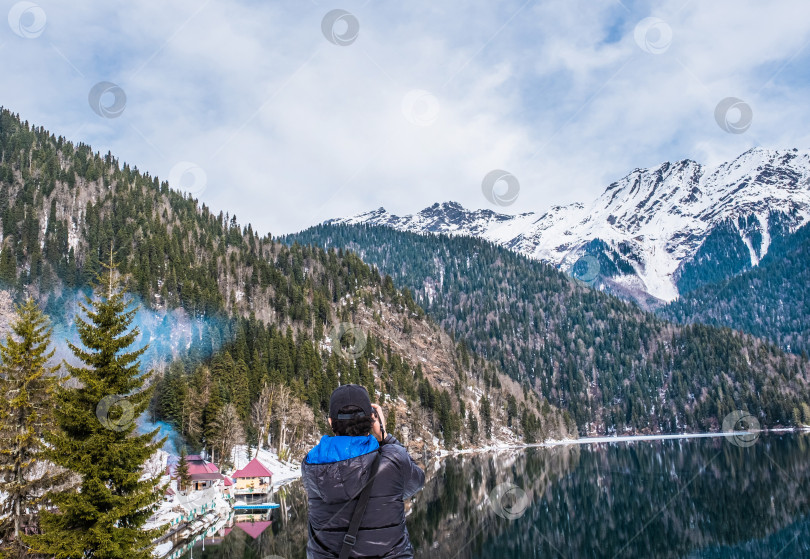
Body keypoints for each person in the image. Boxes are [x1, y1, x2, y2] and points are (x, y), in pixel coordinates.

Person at [302, 384, 425, 558]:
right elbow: (416, 482)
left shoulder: (311, 464)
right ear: (371, 420)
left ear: (331, 422)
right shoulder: (392, 459)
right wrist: (384, 436)